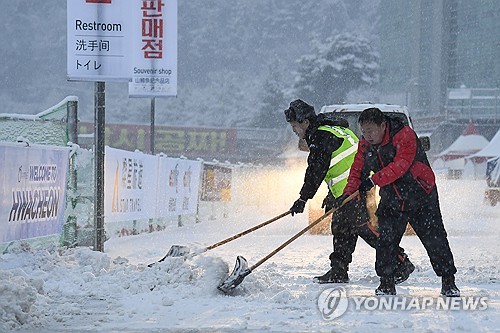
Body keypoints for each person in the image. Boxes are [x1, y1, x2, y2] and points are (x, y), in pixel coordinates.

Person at [284, 99, 415, 284]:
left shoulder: (320, 137)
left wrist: (303, 199)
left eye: (295, 126)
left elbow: (315, 171)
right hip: (348, 190)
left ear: (305, 122)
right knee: (342, 229)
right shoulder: (330, 129)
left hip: (355, 190)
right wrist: (333, 194)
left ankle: (401, 262)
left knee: (367, 230)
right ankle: (338, 271)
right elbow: (339, 164)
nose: (295, 131)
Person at [338, 107, 460, 296]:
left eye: (370, 130)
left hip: (420, 195)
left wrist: (373, 180)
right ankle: (386, 282)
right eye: (364, 131)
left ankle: (448, 281)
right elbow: (357, 170)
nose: (367, 136)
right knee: (386, 240)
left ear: (383, 125)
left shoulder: (404, 135)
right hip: (392, 197)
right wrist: (348, 194)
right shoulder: (365, 144)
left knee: (434, 239)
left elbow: (400, 166)